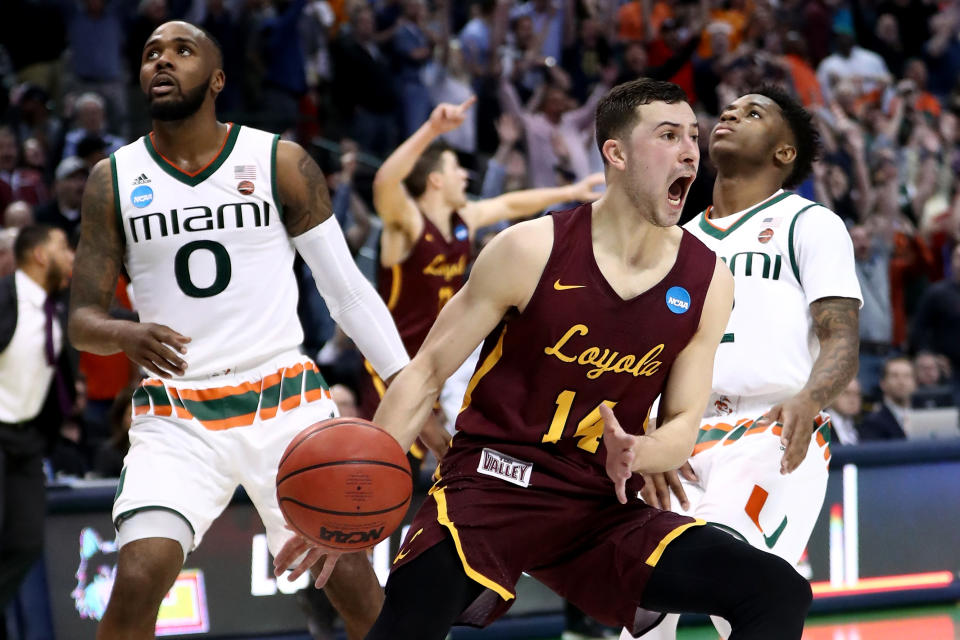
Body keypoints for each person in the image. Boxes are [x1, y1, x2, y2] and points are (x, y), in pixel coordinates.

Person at [276, 79, 813, 640]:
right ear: (617, 152)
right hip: (489, 486)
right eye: (669, 135)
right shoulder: (529, 248)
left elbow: (682, 426)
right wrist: (357, 492)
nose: (689, 152)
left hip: (598, 502)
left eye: (693, 139)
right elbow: (426, 373)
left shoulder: (709, 280)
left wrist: (638, 451)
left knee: (775, 589)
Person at [67, 21, 419, 640]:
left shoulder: (279, 160)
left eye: (182, 50)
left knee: (357, 588)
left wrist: (406, 381)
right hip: (177, 414)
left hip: (283, 401)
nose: (163, 61)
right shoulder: (112, 179)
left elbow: (347, 290)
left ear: (219, 78)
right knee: (139, 577)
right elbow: (83, 324)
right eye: (151, 53)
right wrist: (125, 335)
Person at [622, 86, 862, 640]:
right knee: (641, 620)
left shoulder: (810, 224)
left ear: (784, 153)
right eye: (729, 108)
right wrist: (649, 433)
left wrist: (810, 396)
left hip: (770, 431)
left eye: (753, 113)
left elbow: (841, 334)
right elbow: (648, 356)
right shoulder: (676, 240)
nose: (729, 113)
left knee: (735, 588)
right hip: (681, 437)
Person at [362, 96, 604, 432]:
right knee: (379, 465)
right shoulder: (408, 222)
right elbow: (385, 182)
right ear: (435, 180)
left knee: (414, 472)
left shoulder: (464, 219)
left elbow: (509, 204)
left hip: (435, 362)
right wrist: (432, 129)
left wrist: (573, 191)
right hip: (392, 365)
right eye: (455, 169)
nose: (464, 175)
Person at [0, 224, 75, 616]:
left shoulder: (55, 306)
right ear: (40, 255)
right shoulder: (4, 297)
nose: (72, 257)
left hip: (27, 439)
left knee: (27, 541)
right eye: (64, 247)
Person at [858, 357, 915, 441]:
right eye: (895, 376)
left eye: (907, 376)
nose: (901, 382)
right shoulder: (873, 423)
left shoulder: (925, 416)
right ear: (883, 384)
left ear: (915, 383)